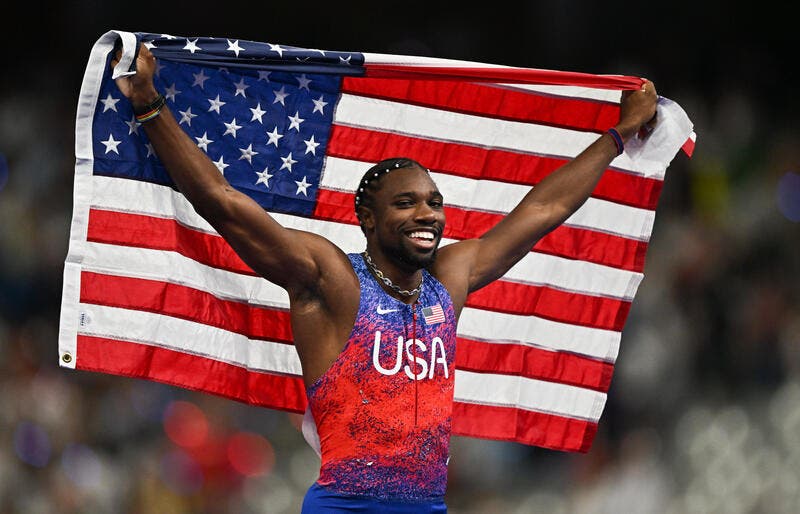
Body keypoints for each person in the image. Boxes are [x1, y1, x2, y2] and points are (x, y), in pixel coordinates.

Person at [111, 43, 657, 513]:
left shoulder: (451, 277)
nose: (429, 215)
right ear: (368, 219)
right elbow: (223, 203)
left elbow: (543, 209)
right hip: (345, 505)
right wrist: (149, 105)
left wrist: (617, 136)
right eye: (407, 203)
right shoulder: (331, 279)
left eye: (434, 203)